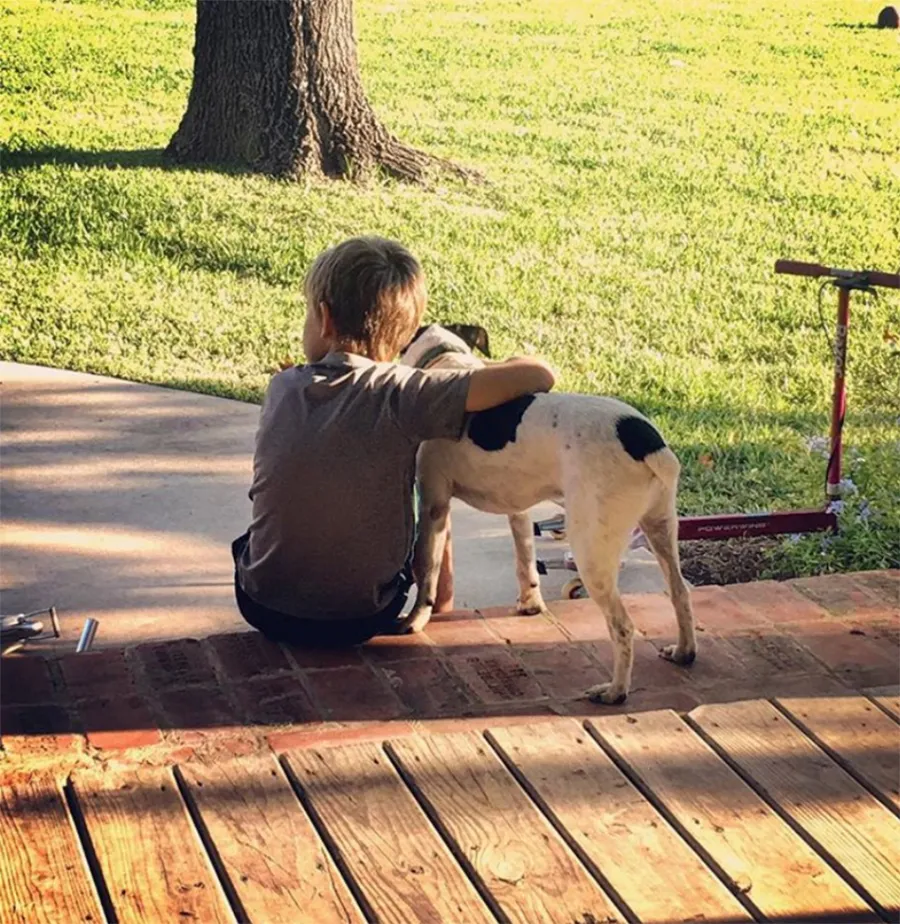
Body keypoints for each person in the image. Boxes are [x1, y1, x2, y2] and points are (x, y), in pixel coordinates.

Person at [232, 236, 555, 647]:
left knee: (255, 538)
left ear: (326, 320)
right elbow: (540, 376)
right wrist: (484, 368)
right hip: (364, 614)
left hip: (262, 606)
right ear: (403, 339)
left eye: (307, 315)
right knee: (435, 479)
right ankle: (442, 606)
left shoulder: (281, 386)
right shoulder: (407, 392)